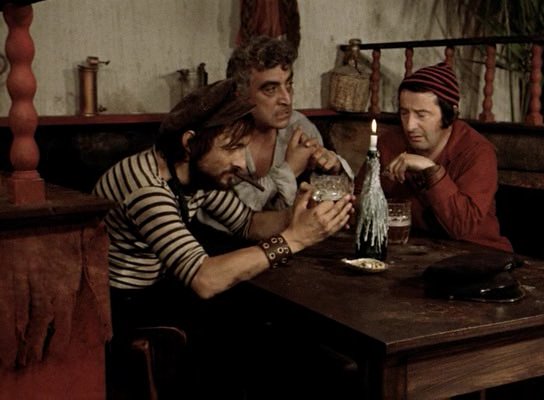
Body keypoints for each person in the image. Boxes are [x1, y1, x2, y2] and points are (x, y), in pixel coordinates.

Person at [93, 78, 353, 398]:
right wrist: (295, 239)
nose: (242, 162)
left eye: (244, 147)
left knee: (272, 329)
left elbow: (247, 223)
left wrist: (297, 215)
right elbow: (204, 279)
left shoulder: (192, 173)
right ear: (190, 143)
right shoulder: (147, 189)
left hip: (156, 292)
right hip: (122, 312)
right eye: (232, 148)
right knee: (250, 343)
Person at [360, 61, 512, 252]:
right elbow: (359, 199)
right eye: (404, 113)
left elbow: (461, 226)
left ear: (449, 114)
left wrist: (430, 169)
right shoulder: (389, 143)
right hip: (412, 253)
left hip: (478, 254)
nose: (409, 126)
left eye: (421, 115)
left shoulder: (477, 152)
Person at [226, 34, 353, 211]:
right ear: (241, 95)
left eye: (289, 84)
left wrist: (332, 169)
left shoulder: (299, 126)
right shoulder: (223, 139)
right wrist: (289, 170)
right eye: (271, 89)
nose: (286, 99)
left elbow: (322, 205)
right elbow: (236, 214)